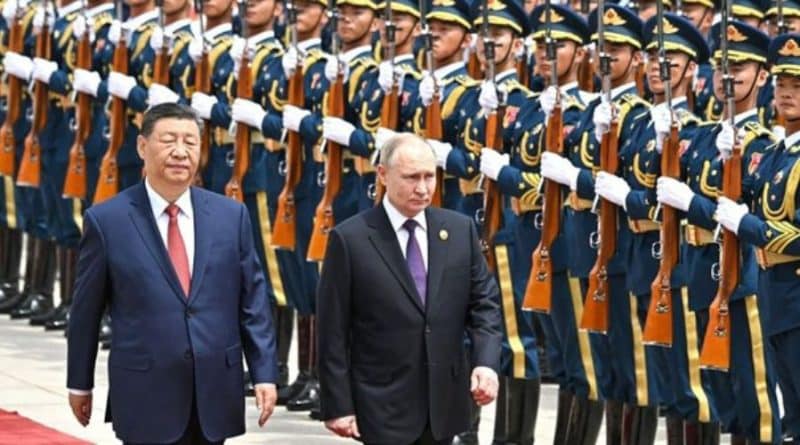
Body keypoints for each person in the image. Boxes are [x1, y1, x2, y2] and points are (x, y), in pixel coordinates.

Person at [66, 103, 279, 444]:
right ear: (142, 146)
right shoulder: (108, 221)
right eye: (168, 141)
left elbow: (253, 303)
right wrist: (80, 382)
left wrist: (264, 373)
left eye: (190, 142)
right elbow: (86, 312)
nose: (180, 152)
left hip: (214, 392)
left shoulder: (230, 216)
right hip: (145, 391)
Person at [316, 133, 502, 444]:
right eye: (411, 177)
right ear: (383, 175)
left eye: (430, 176)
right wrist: (338, 405)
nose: (423, 188)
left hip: (443, 406)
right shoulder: (351, 239)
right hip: (380, 406)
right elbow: (332, 330)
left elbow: (484, 304)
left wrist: (486, 362)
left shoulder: (459, 230)